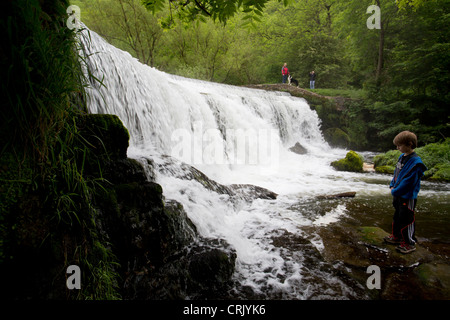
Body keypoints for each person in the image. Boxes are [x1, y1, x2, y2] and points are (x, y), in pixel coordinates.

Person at [384, 131, 427, 254]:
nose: (397, 148)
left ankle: (409, 243)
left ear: (409, 144)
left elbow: (409, 182)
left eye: (399, 145)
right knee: (397, 216)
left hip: (407, 197)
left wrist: (395, 191)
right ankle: (396, 237)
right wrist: (392, 185)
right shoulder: (401, 157)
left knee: (407, 219)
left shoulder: (416, 163)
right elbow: (396, 174)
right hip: (398, 195)